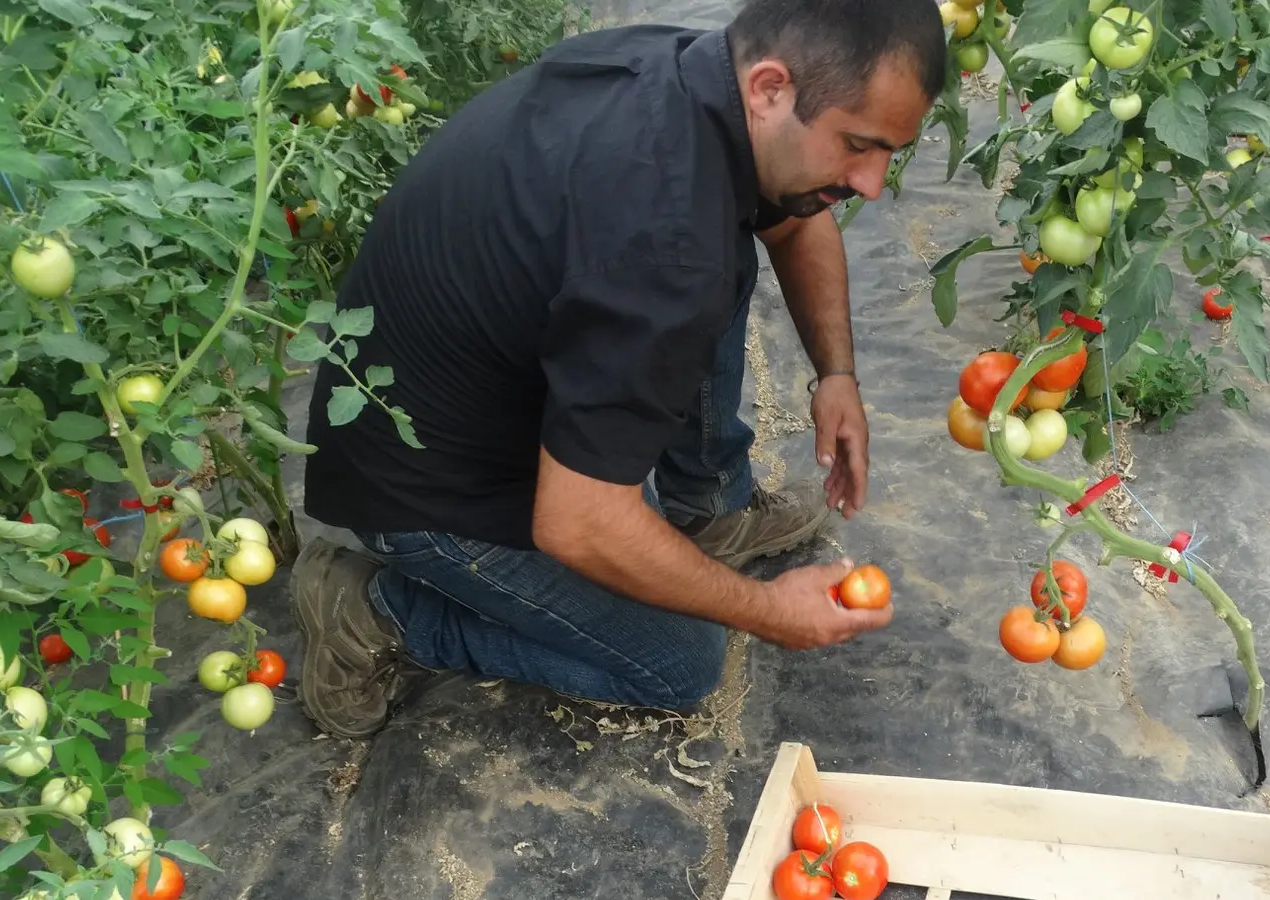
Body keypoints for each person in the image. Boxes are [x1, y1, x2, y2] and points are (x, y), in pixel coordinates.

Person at [287, 0, 948, 737]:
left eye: (889, 151)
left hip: (463, 375)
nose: (872, 183)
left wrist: (837, 375)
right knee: (681, 663)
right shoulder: (663, 244)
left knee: (728, 252)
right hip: (424, 490)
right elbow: (580, 523)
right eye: (858, 145)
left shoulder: (693, 76)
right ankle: (375, 612)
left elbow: (794, 216)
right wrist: (770, 611)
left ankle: (709, 507)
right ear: (770, 88)